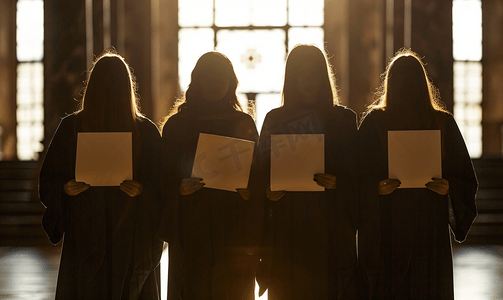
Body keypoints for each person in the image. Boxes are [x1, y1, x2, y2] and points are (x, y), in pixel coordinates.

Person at [39, 49, 164, 299]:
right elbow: (51, 179)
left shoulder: (145, 131)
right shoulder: (72, 127)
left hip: (119, 231)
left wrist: (142, 189)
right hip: (94, 230)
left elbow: (161, 183)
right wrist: (65, 188)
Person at [357, 49, 478, 299]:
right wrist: (375, 188)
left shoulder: (442, 123)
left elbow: (463, 178)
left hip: (427, 222)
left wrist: (448, 187)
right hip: (390, 223)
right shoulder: (374, 123)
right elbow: (356, 175)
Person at [251, 44, 358, 300]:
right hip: (287, 229)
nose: (308, 81)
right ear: (292, 78)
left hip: (330, 228)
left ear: (323, 77)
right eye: (302, 73)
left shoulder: (343, 120)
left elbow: (360, 174)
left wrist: (338, 183)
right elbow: (258, 173)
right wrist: (268, 192)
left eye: (313, 73)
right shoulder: (275, 119)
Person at [158, 51, 258, 300]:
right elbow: (159, 177)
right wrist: (178, 189)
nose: (216, 84)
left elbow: (260, 173)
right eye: (210, 78)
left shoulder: (243, 123)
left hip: (233, 226)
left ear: (230, 83)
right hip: (193, 225)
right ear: (198, 81)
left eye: (221, 78)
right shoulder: (177, 125)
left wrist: (251, 191)